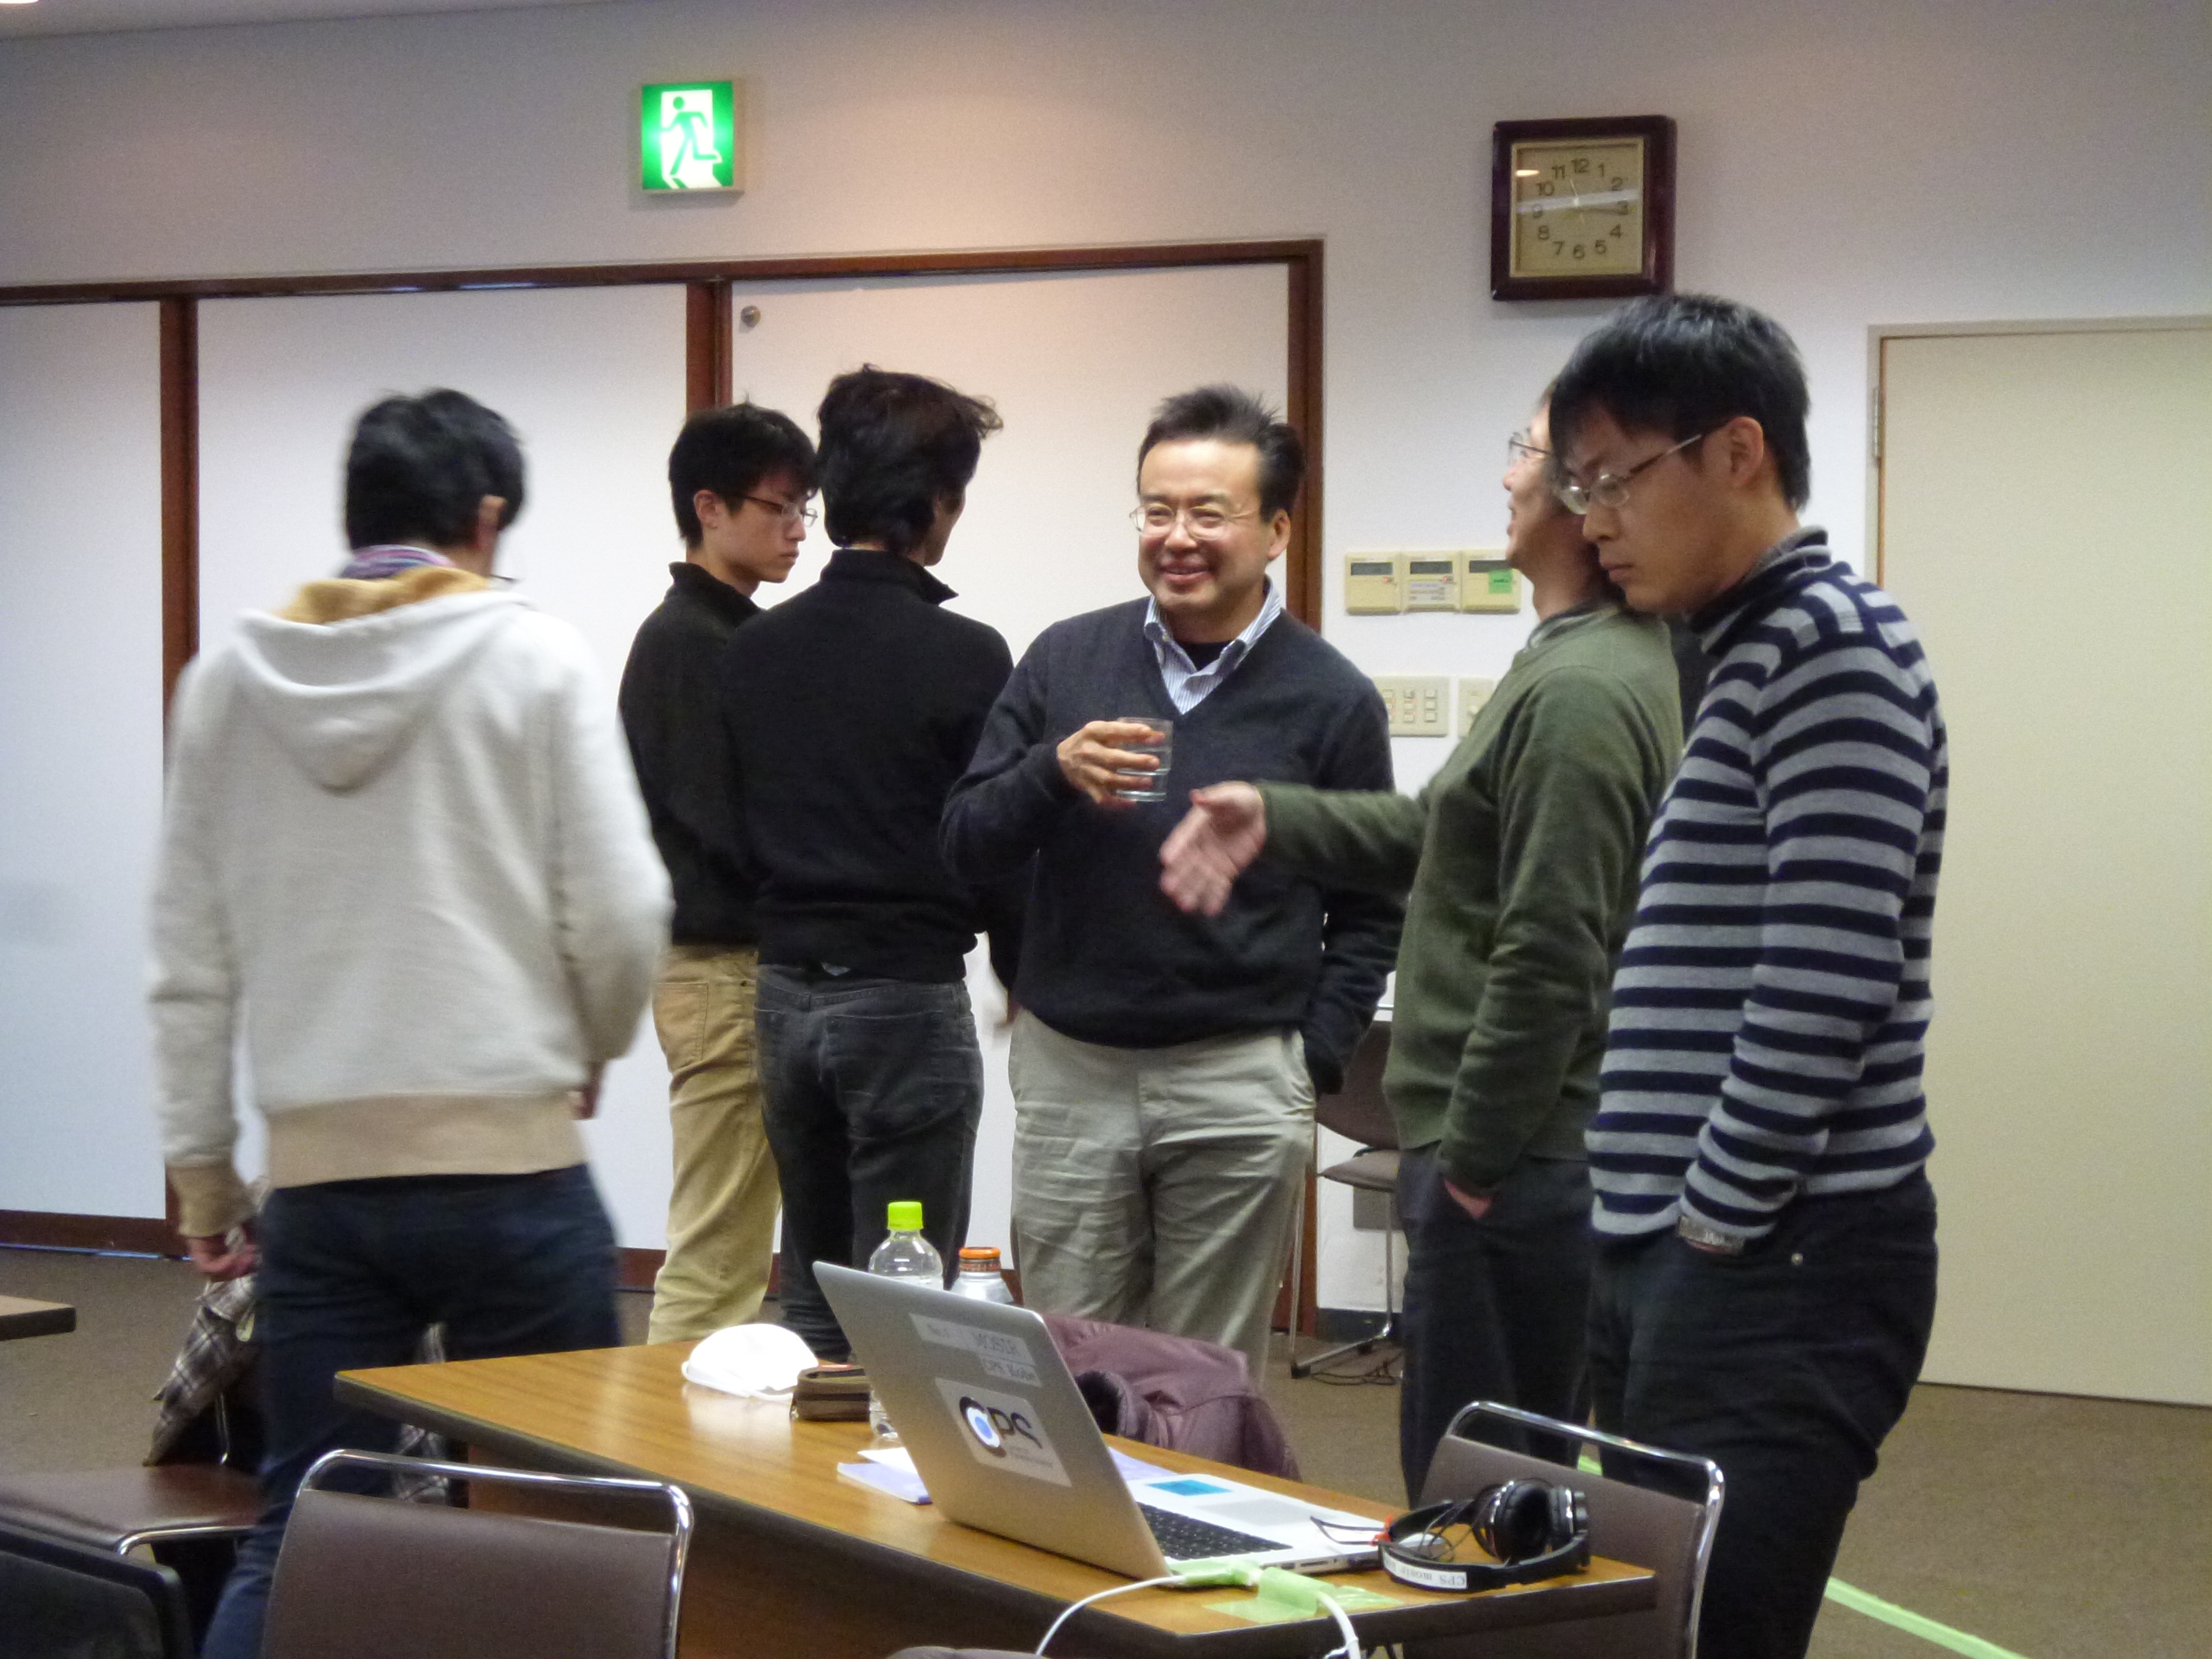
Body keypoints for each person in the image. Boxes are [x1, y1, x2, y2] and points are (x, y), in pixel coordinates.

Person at [150, 389, 669, 1658]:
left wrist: (206, 1177)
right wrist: (587, 1045)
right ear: (485, 517)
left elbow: (188, 960)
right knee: (566, 1525)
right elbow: (623, 911)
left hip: (322, 1192)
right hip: (513, 1177)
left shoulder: (226, 684)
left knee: (308, 1524)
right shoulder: (535, 659)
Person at [1157, 395, 1681, 1497]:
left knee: (1478, 1503)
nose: (1506, 477)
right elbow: (1448, 832)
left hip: (1518, 1165)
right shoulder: (1571, 662)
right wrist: (1278, 817)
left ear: (1584, 490)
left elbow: (1551, 950)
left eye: (1525, 452)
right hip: (1520, 1159)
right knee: (1494, 1487)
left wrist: (1473, 1163)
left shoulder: (1584, 690)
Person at [1550, 294, 1947, 1659]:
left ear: (1734, 452)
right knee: (1646, 1627)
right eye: (1575, 486)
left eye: (1613, 478)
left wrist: (1710, 1223)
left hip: (1775, 1260)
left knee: (1708, 1636)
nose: (1592, 520)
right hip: (1692, 1248)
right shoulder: (1741, 650)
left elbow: (1823, 980)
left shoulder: (1828, 646)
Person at [941, 385, 1400, 1384]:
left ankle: (1185, 1500)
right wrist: (1051, 772)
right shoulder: (1067, 659)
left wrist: (1309, 1058)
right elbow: (965, 842)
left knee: (1200, 1381)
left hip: (1239, 1079)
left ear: (1276, 530)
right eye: (1157, 511)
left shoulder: (1331, 698)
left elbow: (1374, 909)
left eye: (1208, 513)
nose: (1177, 537)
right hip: (1074, 1071)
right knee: (1065, 1369)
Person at [719, 366, 1020, 1362]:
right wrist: (1018, 966)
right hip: (903, 1001)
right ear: (937, 502)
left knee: (810, 1289)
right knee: (908, 1302)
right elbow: (992, 838)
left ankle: (800, 1450)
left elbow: (733, 824)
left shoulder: (754, 651)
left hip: (782, 999)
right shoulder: (967, 654)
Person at [619, 402, 817, 1343]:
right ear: (709, 507)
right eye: (779, 507)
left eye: (806, 508)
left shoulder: (731, 633)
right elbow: (724, 823)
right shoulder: (690, 641)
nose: (798, 530)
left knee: (734, 1244)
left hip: (733, 972)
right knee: (718, 1253)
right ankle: (666, 1433)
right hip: (721, 971)